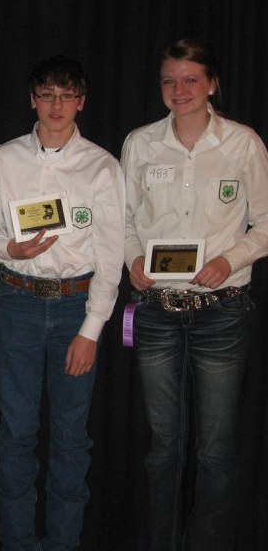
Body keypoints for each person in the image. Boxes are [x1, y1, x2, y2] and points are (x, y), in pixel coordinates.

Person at [122, 39, 268, 550]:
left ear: (212, 84)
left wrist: (230, 260)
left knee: (215, 450)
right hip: (158, 312)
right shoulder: (140, 144)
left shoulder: (243, 144)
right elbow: (125, 221)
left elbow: (266, 224)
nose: (178, 90)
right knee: (162, 447)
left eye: (189, 80)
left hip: (222, 313)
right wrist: (133, 260)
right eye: (169, 80)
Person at [0, 56, 124, 551]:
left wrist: (91, 330)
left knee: (69, 439)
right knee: (15, 434)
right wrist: (8, 249)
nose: (56, 105)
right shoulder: (4, 159)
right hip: (16, 303)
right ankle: (17, 542)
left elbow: (111, 257)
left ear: (81, 102)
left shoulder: (102, 166)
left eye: (66, 96)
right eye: (47, 94)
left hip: (73, 310)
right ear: (32, 99)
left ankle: (63, 544)